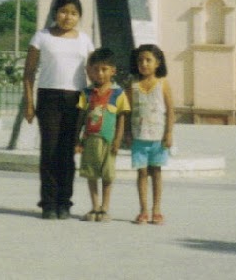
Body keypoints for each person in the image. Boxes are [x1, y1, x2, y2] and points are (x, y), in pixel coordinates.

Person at [23, 0, 94, 219]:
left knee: (68, 153)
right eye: (64, 11)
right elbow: (29, 73)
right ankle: (48, 204)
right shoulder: (41, 37)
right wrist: (29, 103)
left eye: (73, 13)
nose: (68, 17)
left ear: (79, 17)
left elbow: (94, 73)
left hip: (76, 100)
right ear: (55, 13)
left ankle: (64, 203)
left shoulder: (84, 40)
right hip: (49, 98)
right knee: (50, 151)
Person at [74, 48, 129, 222]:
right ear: (89, 71)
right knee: (91, 174)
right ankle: (95, 206)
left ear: (113, 70)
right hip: (90, 140)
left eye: (104, 69)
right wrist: (77, 140)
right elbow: (81, 117)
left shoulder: (118, 94)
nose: (100, 73)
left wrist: (118, 140)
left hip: (108, 141)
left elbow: (121, 118)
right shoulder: (87, 93)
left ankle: (105, 208)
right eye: (96, 69)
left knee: (107, 175)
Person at [128, 43, 174, 225]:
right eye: (140, 60)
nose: (144, 64)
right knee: (141, 173)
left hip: (158, 137)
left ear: (158, 63)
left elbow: (170, 110)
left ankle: (157, 209)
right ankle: (143, 210)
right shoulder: (133, 85)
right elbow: (127, 110)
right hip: (139, 137)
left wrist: (169, 133)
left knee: (156, 172)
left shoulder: (163, 84)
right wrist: (126, 133)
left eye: (148, 60)